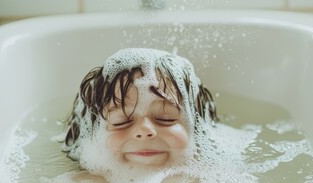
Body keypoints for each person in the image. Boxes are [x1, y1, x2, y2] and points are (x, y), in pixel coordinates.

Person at [63, 48, 218, 168]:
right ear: (91, 133)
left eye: (166, 119)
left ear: (197, 129)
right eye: (121, 121)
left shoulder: (214, 180)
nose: (145, 131)